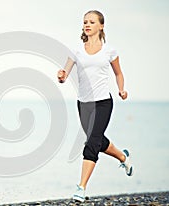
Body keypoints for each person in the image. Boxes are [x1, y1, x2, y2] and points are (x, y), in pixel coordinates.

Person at [57, 10, 134, 202]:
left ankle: (80, 188)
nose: (87, 25)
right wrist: (61, 76)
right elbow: (64, 74)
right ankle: (123, 157)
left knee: (91, 143)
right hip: (83, 104)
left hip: (102, 102)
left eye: (91, 22)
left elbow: (118, 73)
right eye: (85, 22)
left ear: (101, 26)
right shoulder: (76, 50)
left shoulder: (110, 51)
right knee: (96, 140)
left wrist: (121, 89)